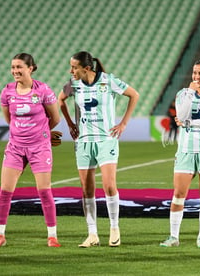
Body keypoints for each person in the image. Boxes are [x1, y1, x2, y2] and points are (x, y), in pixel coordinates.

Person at [58, 51, 139, 248]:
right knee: (87, 189)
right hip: (84, 141)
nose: (71, 71)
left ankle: (114, 228)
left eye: (74, 67)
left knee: (109, 185)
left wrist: (123, 124)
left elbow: (134, 95)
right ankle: (92, 233)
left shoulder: (108, 81)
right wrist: (70, 123)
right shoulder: (73, 84)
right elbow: (60, 100)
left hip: (106, 140)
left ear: (86, 68)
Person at [0, 53, 61, 247]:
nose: (15, 71)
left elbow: (55, 118)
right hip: (15, 147)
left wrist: (42, 133)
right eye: (13, 67)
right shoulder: (7, 92)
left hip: (40, 147)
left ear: (30, 68)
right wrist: (20, 134)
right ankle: (0, 235)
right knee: (5, 191)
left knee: (44, 191)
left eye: (19, 67)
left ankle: (52, 236)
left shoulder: (43, 90)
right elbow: (9, 119)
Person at [160, 59, 200, 248]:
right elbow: (181, 115)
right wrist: (190, 93)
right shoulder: (183, 93)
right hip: (186, 149)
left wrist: (188, 123)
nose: (196, 77)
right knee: (179, 193)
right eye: (195, 73)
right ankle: (174, 237)